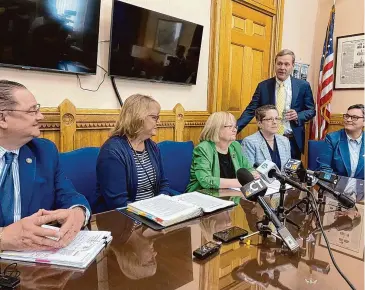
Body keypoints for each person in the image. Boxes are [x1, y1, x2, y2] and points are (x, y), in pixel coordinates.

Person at [0, 80, 90, 252]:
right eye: (32, 111)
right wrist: (3, 237)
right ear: (3, 118)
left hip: (35, 263)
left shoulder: (44, 151)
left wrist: (78, 213)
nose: (40, 116)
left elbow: (69, 195)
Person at [96, 94, 174, 209]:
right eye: (154, 117)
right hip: (127, 218)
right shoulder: (112, 151)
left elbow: (163, 183)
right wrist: (149, 213)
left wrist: (162, 206)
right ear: (138, 117)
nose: (159, 122)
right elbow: (118, 202)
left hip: (155, 213)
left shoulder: (152, 146)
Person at [236, 49, 316, 159]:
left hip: (292, 140)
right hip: (266, 139)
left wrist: (298, 115)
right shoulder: (263, 86)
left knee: (289, 174)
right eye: (279, 63)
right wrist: (235, 128)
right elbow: (251, 110)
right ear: (275, 64)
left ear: (292, 66)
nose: (282, 68)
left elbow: (311, 110)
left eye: (286, 64)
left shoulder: (303, 86)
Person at [186, 111, 256, 192]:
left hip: (232, 193)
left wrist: (254, 174)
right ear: (216, 128)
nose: (235, 130)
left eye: (235, 126)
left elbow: (248, 168)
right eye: (230, 126)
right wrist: (241, 182)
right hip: (204, 195)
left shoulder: (235, 146)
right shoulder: (203, 148)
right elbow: (205, 181)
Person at [318, 104, 364, 180]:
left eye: (354, 117)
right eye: (347, 116)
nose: (348, 120)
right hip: (335, 187)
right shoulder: (332, 139)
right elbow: (324, 168)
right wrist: (338, 184)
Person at [241, 105, 291, 171]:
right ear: (259, 123)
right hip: (260, 181)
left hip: (283, 180)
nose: (275, 122)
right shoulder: (249, 142)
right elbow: (250, 171)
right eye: (270, 119)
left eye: (277, 118)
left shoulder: (284, 140)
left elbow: (288, 169)